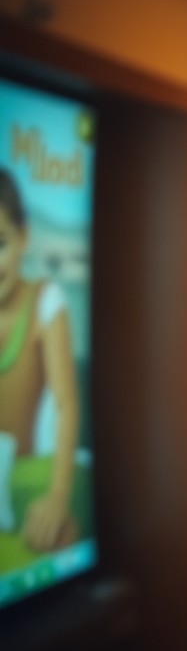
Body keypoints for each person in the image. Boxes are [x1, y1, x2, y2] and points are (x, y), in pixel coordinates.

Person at [0, 166, 82, 553]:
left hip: (27, 482)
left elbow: (66, 405)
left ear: (24, 237)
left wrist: (58, 494)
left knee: (60, 535)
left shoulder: (45, 301)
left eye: (0, 243)